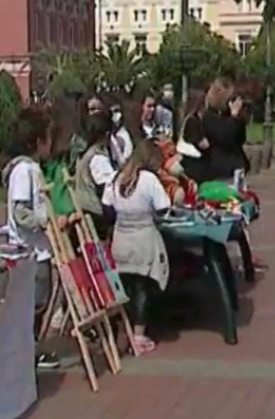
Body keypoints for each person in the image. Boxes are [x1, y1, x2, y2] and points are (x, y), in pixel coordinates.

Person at [0, 106, 61, 369]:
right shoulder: (25, 170)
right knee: (35, 302)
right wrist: (45, 222)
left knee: (38, 301)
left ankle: (27, 347)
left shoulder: (32, 169)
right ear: (37, 141)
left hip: (36, 249)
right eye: (48, 138)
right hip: (30, 250)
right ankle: (23, 348)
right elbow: (21, 212)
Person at [102, 139, 171, 354]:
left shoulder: (116, 178)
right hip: (143, 238)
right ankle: (139, 335)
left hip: (121, 238)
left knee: (124, 287)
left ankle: (122, 329)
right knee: (142, 287)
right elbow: (163, 208)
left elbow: (107, 209)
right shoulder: (149, 179)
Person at [73, 111, 115, 238]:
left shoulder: (84, 153)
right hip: (96, 215)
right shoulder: (97, 157)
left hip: (85, 209)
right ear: (107, 134)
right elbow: (107, 186)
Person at [201, 78, 248, 183]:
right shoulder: (209, 116)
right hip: (221, 168)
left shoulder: (229, 115)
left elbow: (241, 139)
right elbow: (224, 138)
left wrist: (238, 119)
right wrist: (233, 117)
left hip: (237, 166)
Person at [178, 89, 209, 184]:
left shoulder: (190, 119)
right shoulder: (192, 121)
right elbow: (202, 144)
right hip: (193, 164)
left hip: (192, 162)